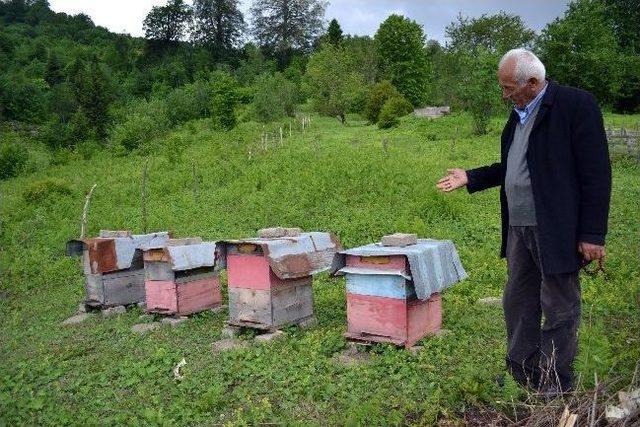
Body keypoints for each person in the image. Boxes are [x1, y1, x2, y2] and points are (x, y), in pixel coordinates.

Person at [436, 48, 611, 394]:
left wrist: (592, 233)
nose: (503, 95)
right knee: (518, 300)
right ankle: (522, 372)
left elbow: (596, 173)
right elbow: (513, 167)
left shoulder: (575, 106)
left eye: (507, 88)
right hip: (519, 227)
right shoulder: (519, 114)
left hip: (555, 228)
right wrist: (471, 177)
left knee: (559, 304)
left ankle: (552, 381)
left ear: (531, 83)